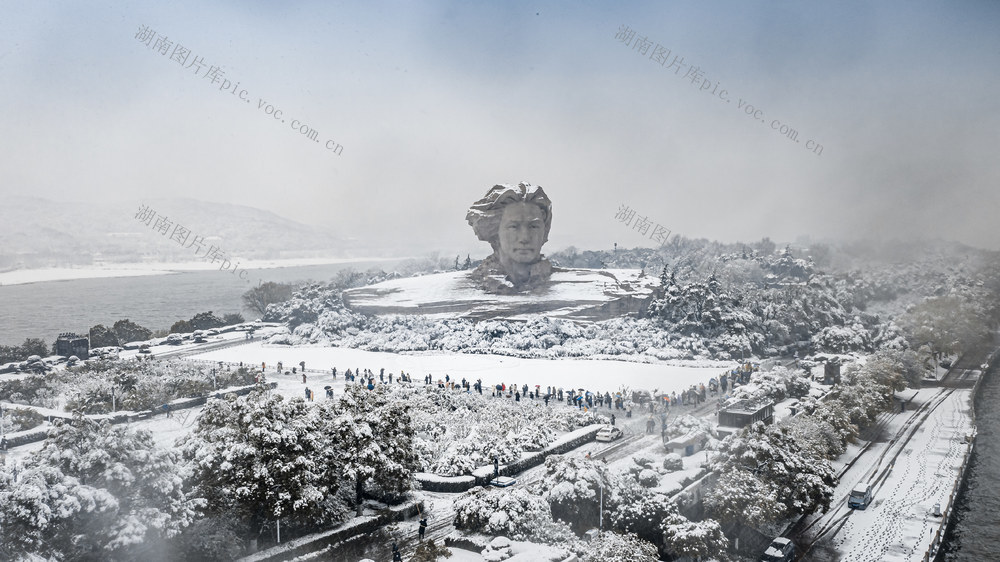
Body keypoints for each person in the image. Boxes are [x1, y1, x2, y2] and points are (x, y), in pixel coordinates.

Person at [465, 182, 554, 292]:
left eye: (533, 226)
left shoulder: (566, 285)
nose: (524, 238)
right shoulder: (464, 289)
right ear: (495, 231)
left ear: (544, 229)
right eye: (514, 227)